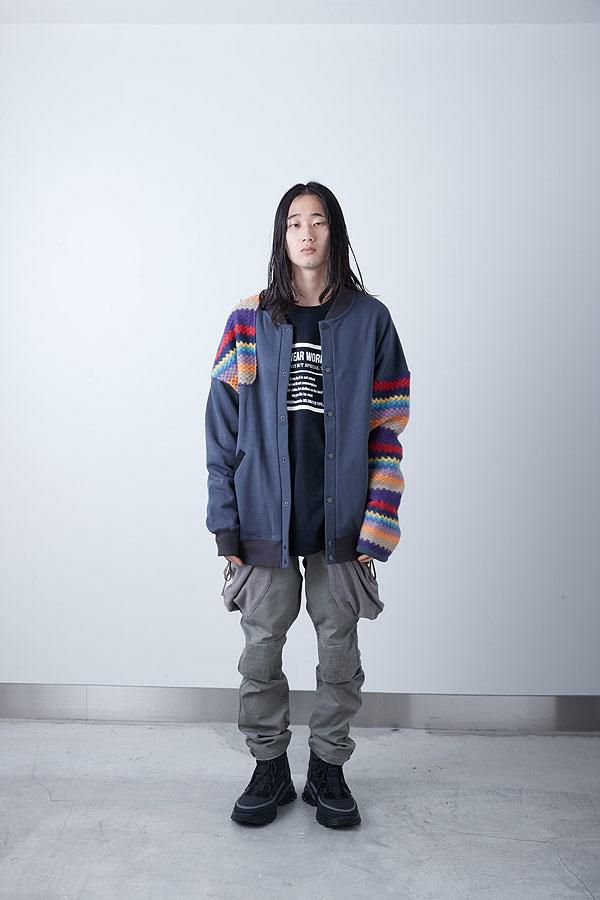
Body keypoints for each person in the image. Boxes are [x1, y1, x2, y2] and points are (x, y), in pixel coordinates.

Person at [205, 181, 411, 828]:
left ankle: (327, 768)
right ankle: (269, 767)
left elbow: (388, 429)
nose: (306, 233)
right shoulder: (248, 321)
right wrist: (226, 525)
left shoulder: (371, 320)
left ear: (334, 233)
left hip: (341, 523)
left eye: (318, 221)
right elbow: (220, 431)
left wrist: (377, 524)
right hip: (262, 519)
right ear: (281, 236)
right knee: (260, 650)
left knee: (340, 652)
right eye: (294, 222)